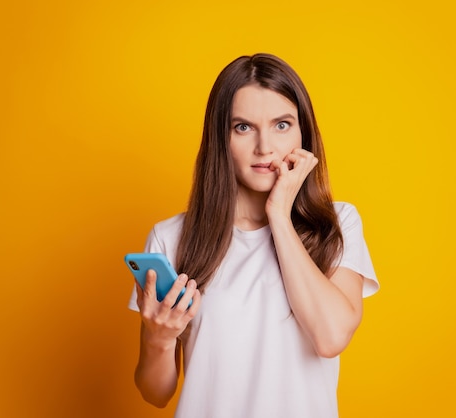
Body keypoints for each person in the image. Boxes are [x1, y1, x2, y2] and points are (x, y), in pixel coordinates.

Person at [129, 53, 379, 418]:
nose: (265, 147)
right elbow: (155, 393)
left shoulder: (338, 224)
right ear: (221, 139)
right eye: (243, 127)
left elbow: (330, 338)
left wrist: (278, 213)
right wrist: (159, 337)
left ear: (303, 131)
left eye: (281, 125)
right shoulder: (172, 237)